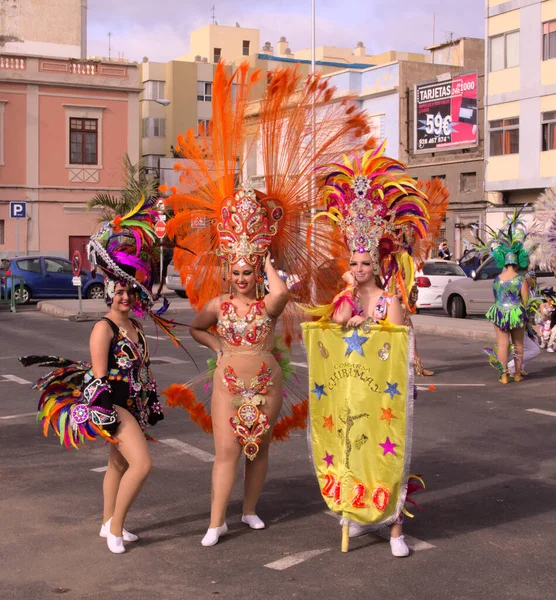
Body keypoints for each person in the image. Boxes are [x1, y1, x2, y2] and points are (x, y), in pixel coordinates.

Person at [20, 197, 171, 554]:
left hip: (133, 405)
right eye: (118, 290)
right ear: (107, 292)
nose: (124, 296)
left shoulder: (135, 324)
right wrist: (109, 417)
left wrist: (147, 402)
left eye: (129, 291)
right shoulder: (103, 330)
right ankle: (117, 527)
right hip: (113, 406)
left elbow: (141, 369)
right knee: (142, 464)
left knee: (118, 464)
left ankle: (107, 523)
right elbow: (100, 378)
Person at [304, 144, 430, 557]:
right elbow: (331, 334)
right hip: (350, 392)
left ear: (376, 265)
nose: (358, 270)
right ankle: (356, 515)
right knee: (353, 452)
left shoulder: (388, 300)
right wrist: (343, 318)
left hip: (384, 396)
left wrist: (370, 324)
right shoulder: (345, 300)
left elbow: (395, 346)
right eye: (354, 263)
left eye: (365, 264)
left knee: (389, 459)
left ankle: (395, 530)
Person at [189, 241, 288, 546]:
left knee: (257, 447)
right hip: (228, 383)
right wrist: (218, 346)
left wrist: (268, 262)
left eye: (248, 271)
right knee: (227, 451)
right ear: (228, 274)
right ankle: (216, 522)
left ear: (257, 274)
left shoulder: (267, 305)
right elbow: (197, 328)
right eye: (236, 272)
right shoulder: (219, 305)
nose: (242, 277)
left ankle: (249, 510)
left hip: (266, 383)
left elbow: (282, 293)